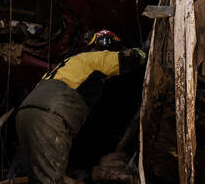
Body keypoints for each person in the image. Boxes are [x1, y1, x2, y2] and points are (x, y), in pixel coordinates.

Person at [15, 30, 146, 184]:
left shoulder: (66, 65)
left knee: (36, 177)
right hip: (50, 117)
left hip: (25, 114)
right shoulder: (94, 58)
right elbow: (131, 59)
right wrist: (143, 50)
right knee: (51, 180)